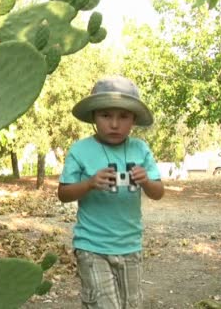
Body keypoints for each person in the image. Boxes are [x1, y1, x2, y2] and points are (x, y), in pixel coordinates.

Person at [58, 76, 165, 309]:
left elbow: (158, 192)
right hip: (92, 246)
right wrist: (89, 184)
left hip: (130, 247)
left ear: (134, 119)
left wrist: (146, 181)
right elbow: (63, 193)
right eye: (106, 115)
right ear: (94, 117)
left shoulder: (140, 149)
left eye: (123, 116)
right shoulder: (80, 150)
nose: (114, 124)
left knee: (132, 305)